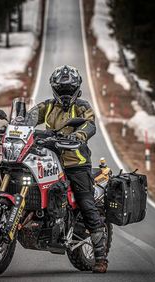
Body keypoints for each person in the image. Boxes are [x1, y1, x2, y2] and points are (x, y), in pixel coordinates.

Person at [36, 65, 108, 273]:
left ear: (77, 89)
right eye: (62, 90)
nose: (65, 94)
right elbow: (31, 116)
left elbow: (89, 124)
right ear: (54, 89)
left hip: (76, 165)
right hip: (51, 161)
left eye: (69, 89)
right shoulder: (48, 106)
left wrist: (79, 135)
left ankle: (100, 257)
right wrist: (18, 124)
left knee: (86, 204)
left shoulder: (82, 106)